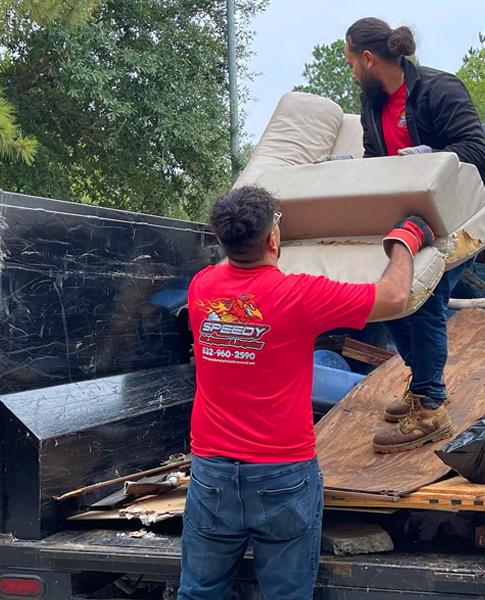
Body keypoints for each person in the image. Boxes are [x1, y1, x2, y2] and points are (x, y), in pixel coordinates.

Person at [178, 185, 432, 600]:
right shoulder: (299, 296)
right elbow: (394, 296)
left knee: (199, 593)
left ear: (222, 240)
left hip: (212, 473)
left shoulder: (202, 287)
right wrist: (405, 241)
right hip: (282, 474)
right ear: (273, 239)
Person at [340, 17, 485, 453]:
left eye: (350, 63)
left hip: (467, 216)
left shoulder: (439, 89)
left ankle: (431, 406)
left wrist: (427, 158)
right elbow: (374, 158)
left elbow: (475, 150)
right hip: (414, 221)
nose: (351, 72)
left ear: (367, 58)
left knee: (426, 295)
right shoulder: (372, 104)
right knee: (394, 296)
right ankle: (423, 386)